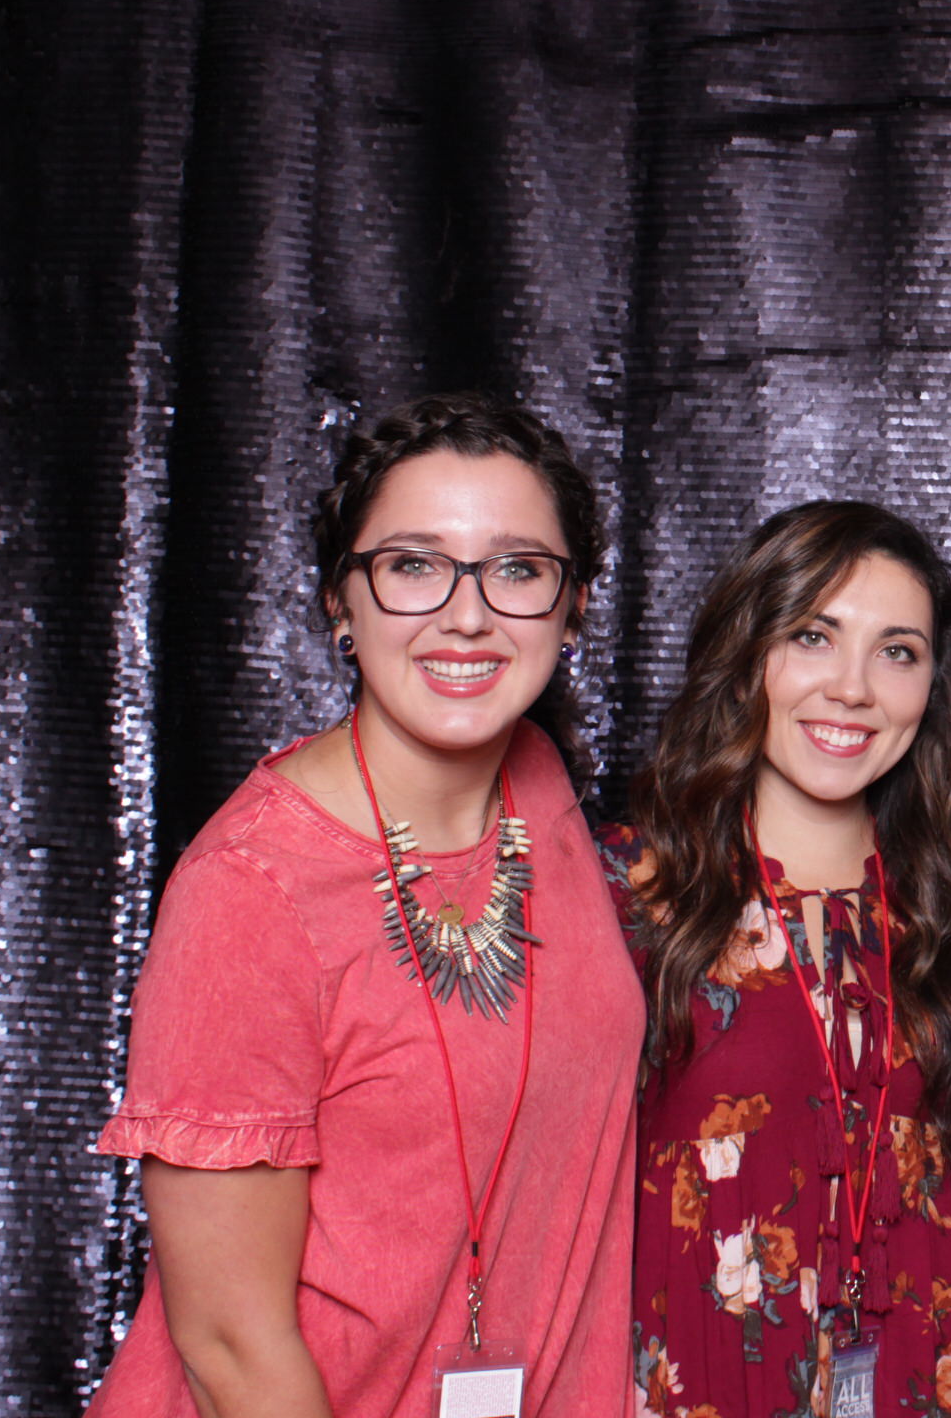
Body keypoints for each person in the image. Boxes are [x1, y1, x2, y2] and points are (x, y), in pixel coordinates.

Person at [88, 391, 641, 1418]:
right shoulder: (249, 894)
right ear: (341, 603)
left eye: (518, 569)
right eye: (414, 565)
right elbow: (228, 1346)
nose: (467, 614)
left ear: (573, 608)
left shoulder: (539, 784)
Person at [602, 502, 951, 1418]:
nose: (853, 688)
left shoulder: (950, 897)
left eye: (898, 651)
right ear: (749, 651)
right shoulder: (629, 890)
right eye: (815, 636)